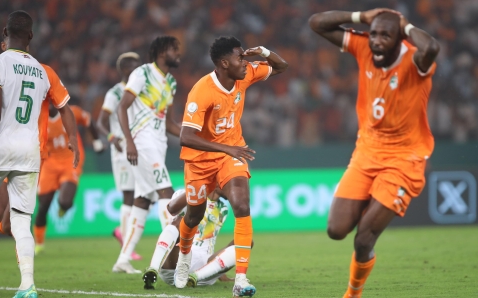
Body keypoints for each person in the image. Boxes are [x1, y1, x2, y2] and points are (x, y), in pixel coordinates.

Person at [308, 8, 439, 298]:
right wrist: (360, 17)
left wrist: (404, 25)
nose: (377, 41)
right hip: (366, 152)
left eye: (385, 36)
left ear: (399, 40)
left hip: (405, 159)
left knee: (364, 238)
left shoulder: (415, 59)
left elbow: (431, 46)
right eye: (375, 34)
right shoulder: (364, 46)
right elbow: (316, 23)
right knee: (336, 229)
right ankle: (372, 201)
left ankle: (353, 294)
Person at [0, 10, 80, 298]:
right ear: (31, 37)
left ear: (4, 34)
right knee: (21, 220)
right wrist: (73, 138)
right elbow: (64, 108)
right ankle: (27, 286)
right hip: (30, 152)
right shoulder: (42, 70)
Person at [175, 36, 288, 297]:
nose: (246, 62)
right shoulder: (201, 91)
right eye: (240, 58)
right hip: (200, 161)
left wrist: (265, 51)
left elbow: (282, 67)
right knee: (193, 215)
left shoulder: (244, 75)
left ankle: (240, 280)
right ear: (224, 63)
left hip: (231, 155)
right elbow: (186, 136)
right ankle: (183, 258)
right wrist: (227, 148)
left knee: (241, 205)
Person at [113, 36, 182, 274]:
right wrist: (129, 142)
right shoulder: (142, 73)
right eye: (175, 49)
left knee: (142, 200)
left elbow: (169, 122)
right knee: (167, 193)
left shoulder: (171, 82)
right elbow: (122, 106)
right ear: (163, 51)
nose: (178, 53)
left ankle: (123, 258)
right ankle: (173, 254)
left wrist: (193, 135)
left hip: (158, 144)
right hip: (141, 143)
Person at [33, 101, 104, 254]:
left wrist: (97, 142)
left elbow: (88, 120)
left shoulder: (71, 112)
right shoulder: (38, 118)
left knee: (64, 201)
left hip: (71, 160)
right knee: (43, 206)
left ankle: (64, 207)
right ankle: (39, 243)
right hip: (50, 163)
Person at [142, 188, 239, 289]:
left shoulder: (223, 209)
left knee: (245, 242)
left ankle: (196, 276)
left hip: (203, 270)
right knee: (178, 221)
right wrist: (196, 190)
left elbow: (210, 242)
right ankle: (153, 269)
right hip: (176, 262)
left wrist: (220, 269)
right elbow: (172, 210)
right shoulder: (187, 194)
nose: (234, 188)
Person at [96, 52, 142, 260]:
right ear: (124, 69)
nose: (138, 69)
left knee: (140, 197)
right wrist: (112, 137)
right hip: (122, 152)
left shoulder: (140, 90)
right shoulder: (114, 93)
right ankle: (126, 244)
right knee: (128, 196)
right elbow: (100, 122)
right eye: (133, 66)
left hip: (140, 148)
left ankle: (123, 234)